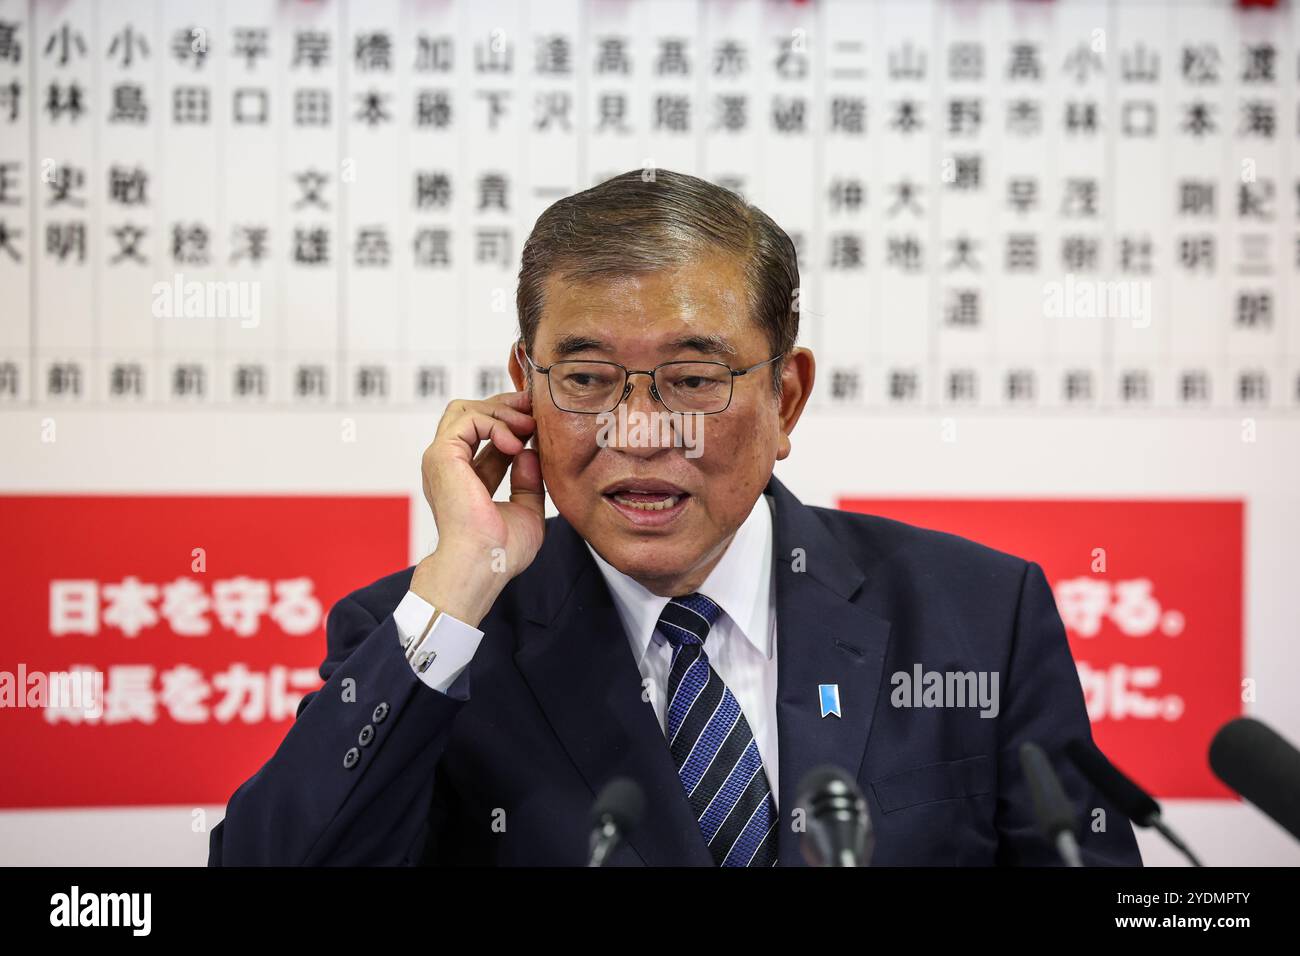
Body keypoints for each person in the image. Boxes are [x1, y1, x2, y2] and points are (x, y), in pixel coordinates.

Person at [209, 169, 1141, 866]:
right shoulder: (428, 640)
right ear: (522, 390)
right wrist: (464, 580)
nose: (642, 429)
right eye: (585, 380)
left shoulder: (979, 616)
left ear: (786, 398)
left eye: (694, 379)